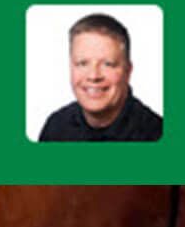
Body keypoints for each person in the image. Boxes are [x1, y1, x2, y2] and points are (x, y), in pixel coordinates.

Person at [38, 13, 162, 142]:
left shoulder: (156, 135)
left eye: (108, 64)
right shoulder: (56, 127)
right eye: (82, 63)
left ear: (128, 71)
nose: (93, 76)